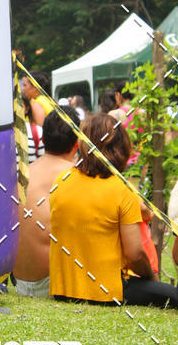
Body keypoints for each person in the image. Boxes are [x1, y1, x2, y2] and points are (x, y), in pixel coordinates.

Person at [49, 113, 178, 308]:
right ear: (121, 149)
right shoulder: (121, 190)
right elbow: (135, 255)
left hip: (63, 291)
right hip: (107, 293)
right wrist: (150, 278)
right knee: (172, 295)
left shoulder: (61, 181)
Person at [14, 107, 79, 297]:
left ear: (43, 140)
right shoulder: (76, 175)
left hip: (20, 282)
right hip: (53, 283)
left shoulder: (21, 174)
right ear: (77, 143)